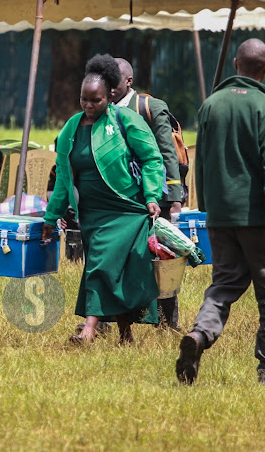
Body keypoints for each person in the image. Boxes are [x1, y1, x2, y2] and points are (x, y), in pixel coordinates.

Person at [175, 38, 265, 386]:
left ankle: (200, 334)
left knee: (224, 284)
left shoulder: (211, 106)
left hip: (220, 216)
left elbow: (202, 163)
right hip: (257, 219)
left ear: (236, 64)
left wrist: (209, 208)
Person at [41, 53, 164, 345]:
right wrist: (51, 215)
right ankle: (125, 334)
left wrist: (152, 196)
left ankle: (89, 330)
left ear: (109, 95)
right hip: (92, 212)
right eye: (84, 99)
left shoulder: (126, 120)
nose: (88, 105)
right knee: (107, 267)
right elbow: (63, 177)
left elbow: (152, 159)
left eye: (95, 100)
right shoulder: (70, 128)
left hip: (126, 209)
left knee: (100, 264)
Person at [111, 57, 184, 331]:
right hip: (119, 197)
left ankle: (168, 322)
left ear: (128, 81)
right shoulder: (99, 108)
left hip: (155, 195)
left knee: (162, 257)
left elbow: (167, 152)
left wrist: (174, 195)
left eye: (113, 80)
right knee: (115, 258)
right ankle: (109, 319)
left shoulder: (149, 107)